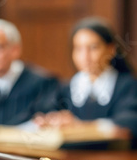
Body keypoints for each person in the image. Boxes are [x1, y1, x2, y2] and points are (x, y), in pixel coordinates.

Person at [34, 17, 137, 145]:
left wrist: (78, 125)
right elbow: (43, 113)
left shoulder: (128, 86)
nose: (85, 56)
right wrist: (49, 120)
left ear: (111, 49)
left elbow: (126, 127)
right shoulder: (66, 88)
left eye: (93, 48)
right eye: (78, 48)